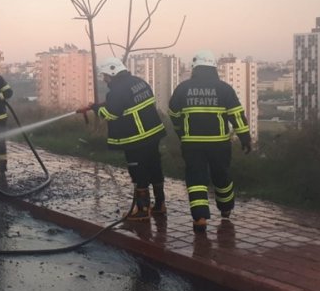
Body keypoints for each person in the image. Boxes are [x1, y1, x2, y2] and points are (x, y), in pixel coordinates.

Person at [168, 49, 252, 234]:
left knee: (196, 178)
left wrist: (181, 132)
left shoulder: (183, 88)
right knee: (221, 175)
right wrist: (245, 138)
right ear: (213, 67)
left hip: (191, 143)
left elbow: (173, 113)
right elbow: (237, 116)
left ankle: (199, 218)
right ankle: (226, 209)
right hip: (219, 143)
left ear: (194, 68)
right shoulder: (224, 89)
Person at [77, 57, 166, 227]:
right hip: (154, 133)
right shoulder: (139, 82)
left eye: (105, 76)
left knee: (138, 172)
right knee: (154, 166)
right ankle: (160, 205)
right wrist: (98, 104)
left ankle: (142, 210)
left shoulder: (116, 91)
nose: (104, 79)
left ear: (112, 73)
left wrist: (95, 108)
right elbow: (126, 102)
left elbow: (111, 114)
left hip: (137, 138)